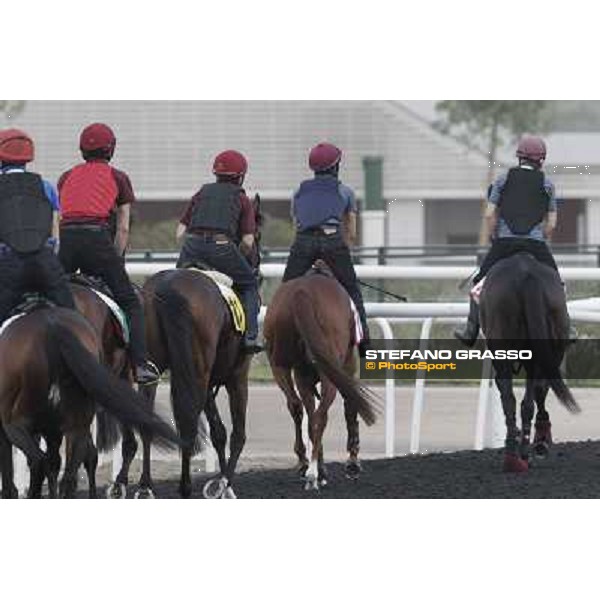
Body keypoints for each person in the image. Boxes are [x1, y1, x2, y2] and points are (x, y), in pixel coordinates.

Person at [57, 123, 159, 384]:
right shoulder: (119, 177)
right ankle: (139, 365)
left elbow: (60, 222)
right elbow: (123, 228)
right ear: (111, 149)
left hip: (67, 241)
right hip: (98, 241)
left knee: (48, 296)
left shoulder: (65, 177)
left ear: (82, 150)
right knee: (131, 302)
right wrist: (114, 258)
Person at [454, 134, 576, 346]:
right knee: (557, 282)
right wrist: (542, 237)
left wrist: (495, 235)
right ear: (541, 160)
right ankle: (566, 328)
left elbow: (489, 214)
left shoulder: (502, 180)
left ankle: (470, 329)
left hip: (504, 244)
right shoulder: (547, 185)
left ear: (519, 157)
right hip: (535, 245)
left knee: (477, 284)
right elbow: (552, 224)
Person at [282, 142, 371, 357]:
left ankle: (276, 340)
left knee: (285, 291)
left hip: (303, 243)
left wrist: (304, 252)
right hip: (333, 243)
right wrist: (341, 251)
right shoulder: (346, 192)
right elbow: (351, 232)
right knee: (352, 291)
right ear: (336, 166)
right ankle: (364, 343)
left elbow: (297, 227)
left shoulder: (298, 191)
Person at [176, 149, 262, 354]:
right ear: (241, 176)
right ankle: (251, 337)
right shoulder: (242, 199)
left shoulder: (201, 192)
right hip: (222, 248)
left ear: (215, 173)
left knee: (174, 286)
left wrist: (192, 247)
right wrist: (237, 256)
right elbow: (249, 242)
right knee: (250, 284)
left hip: (191, 247)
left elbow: (179, 232)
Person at [0, 128, 75, 323]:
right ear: (28, 158)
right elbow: (55, 235)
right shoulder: (46, 186)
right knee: (74, 318)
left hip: (8, 265)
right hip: (45, 263)